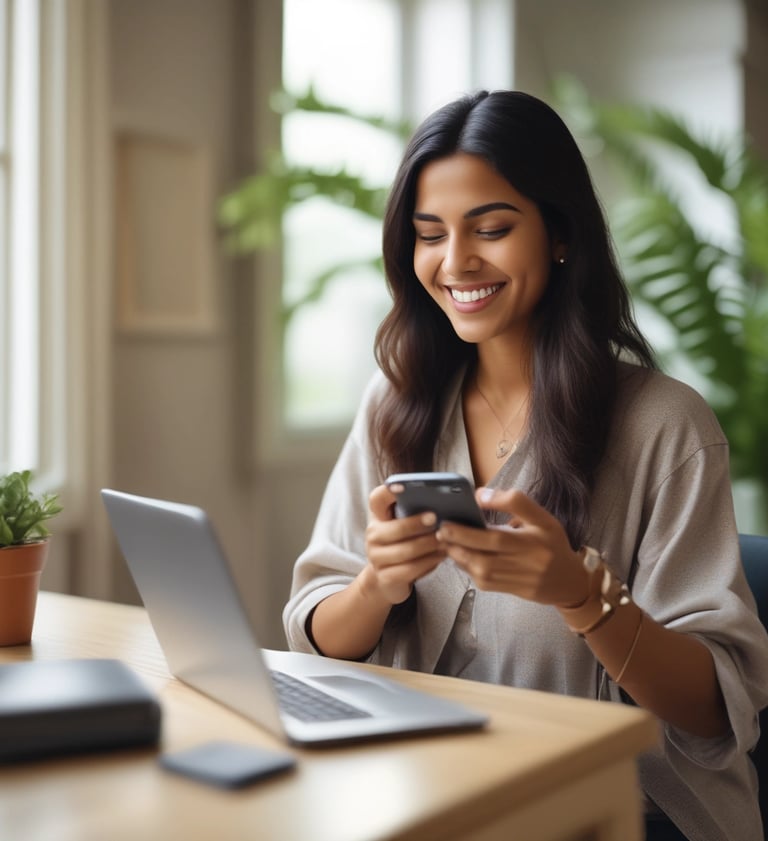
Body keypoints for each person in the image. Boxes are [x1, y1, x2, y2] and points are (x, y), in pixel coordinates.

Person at [282, 90, 768, 841]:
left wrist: (582, 595)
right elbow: (314, 628)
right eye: (429, 234)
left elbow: (714, 707)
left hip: (621, 808)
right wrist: (377, 584)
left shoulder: (665, 424)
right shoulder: (397, 402)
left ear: (560, 233)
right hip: (428, 787)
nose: (455, 261)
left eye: (492, 229)